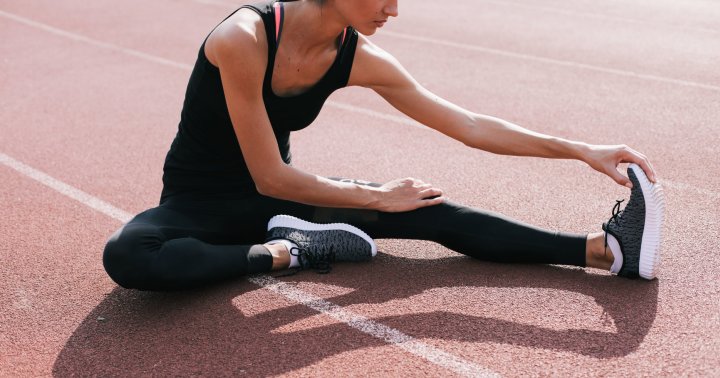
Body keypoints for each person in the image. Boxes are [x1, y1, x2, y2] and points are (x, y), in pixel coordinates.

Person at [102, 0, 664, 291]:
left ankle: (601, 250)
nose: (393, 9)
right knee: (128, 256)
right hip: (196, 205)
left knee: (429, 210)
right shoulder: (243, 39)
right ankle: (291, 252)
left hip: (278, 202)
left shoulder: (359, 55)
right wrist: (367, 195)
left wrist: (582, 149)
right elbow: (270, 175)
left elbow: (467, 124)